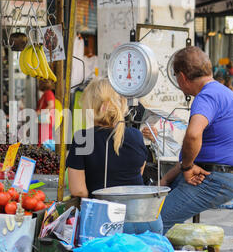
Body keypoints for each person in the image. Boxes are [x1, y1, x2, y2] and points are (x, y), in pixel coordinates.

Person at [159, 46, 233, 234]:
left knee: (155, 222)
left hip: (217, 179)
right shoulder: (222, 92)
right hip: (217, 174)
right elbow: (195, 152)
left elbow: (192, 135)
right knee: (156, 204)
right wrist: (170, 176)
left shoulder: (206, 96)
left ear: (182, 77)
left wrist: (187, 167)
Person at [66, 77, 163, 234]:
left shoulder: (83, 138)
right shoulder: (135, 136)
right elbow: (137, 174)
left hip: (108, 223)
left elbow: (79, 191)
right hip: (147, 219)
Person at [36, 79, 55, 146]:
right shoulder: (48, 93)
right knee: (45, 138)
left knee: (44, 139)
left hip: (45, 119)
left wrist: (40, 112)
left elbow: (51, 105)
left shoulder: (48, 93)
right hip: (45, 120)